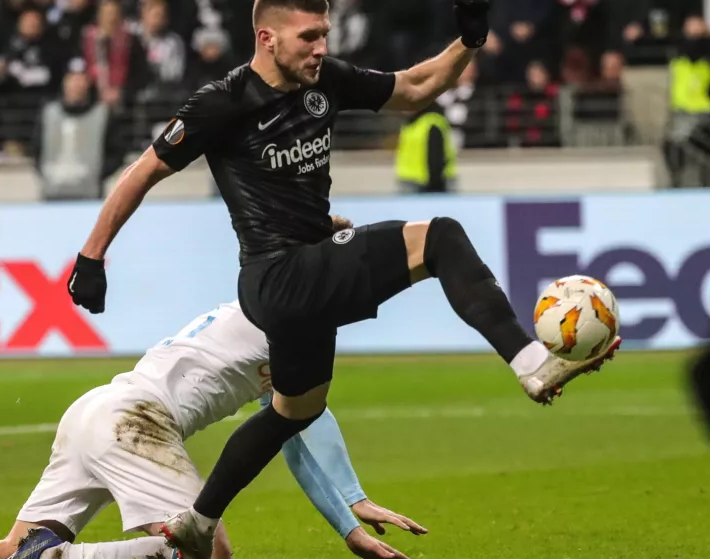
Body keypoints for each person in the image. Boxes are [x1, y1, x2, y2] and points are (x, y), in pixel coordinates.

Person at [64, 1, 621, 557]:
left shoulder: (326, 80)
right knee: (441, 236)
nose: (321, 48)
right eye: (308, 37)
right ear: (266, 38)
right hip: (280, 274)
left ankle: (199, 520)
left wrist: (468, 43)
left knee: (292, 413)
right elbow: (144, 170)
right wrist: (91, 259)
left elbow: (416, 88)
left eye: (324, 35)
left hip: (297, 281)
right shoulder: (222, 102)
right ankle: (531, 365)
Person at [0, 279, 427, 559]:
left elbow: (291, 423)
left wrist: (347, 511)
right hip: (136, 422)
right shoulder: (298, 323)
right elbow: (301, 424)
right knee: (208, 551)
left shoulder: (255, 301)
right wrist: (348, 512)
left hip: (93, 409)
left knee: (12, 552)